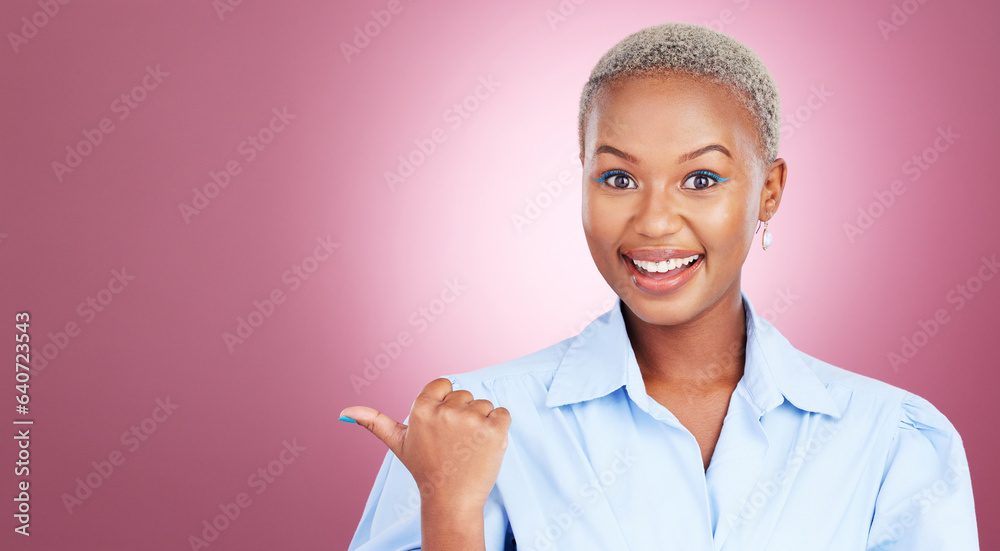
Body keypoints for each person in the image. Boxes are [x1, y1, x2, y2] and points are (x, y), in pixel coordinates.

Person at [339, 22, 979, 550]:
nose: (652, 221)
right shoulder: (470, 427)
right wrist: (449, 512)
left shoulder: (892, 439)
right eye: (618, 179)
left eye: (701, 180)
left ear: (770, 191)